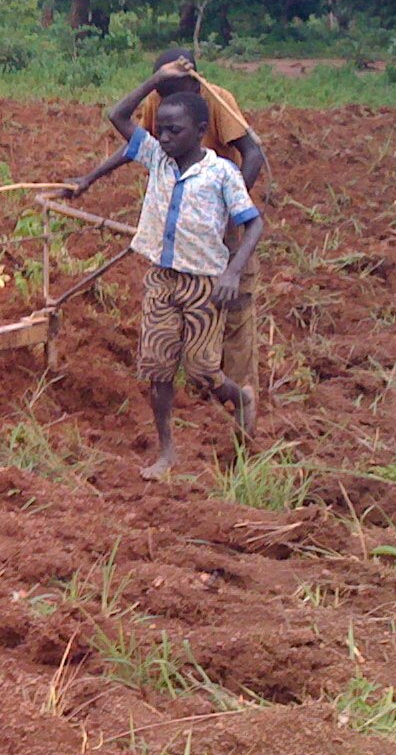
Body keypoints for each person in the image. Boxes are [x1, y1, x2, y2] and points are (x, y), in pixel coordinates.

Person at [65, 59, 264, 479]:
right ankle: (167, 452)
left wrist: (232, 272)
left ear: (200, 130)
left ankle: (240, 396)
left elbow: (254, 223)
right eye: (161, 131)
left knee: (203, 371)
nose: (166, 137)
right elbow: (117, 116)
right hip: (162, 278)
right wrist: (155, 80)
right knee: (157, 368)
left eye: (175, 131)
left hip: (204, 282)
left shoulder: (222, 173)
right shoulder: (157, 156)